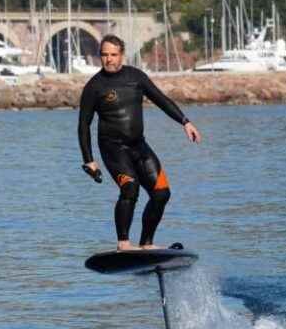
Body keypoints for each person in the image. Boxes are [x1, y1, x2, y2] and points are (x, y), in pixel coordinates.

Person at [78, 34, 202, 251]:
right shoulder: (94, 87)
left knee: (162, 193)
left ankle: (146, 243)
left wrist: (185, 122)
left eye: (113, 55)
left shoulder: (136, 77)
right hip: (113, 149)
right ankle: (124, 244)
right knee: (130, 189)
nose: (109, 59)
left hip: (139, 146)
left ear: (122, 55)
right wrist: (89, 160)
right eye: (105, 55)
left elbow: (161, 100)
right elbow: (83, 125)